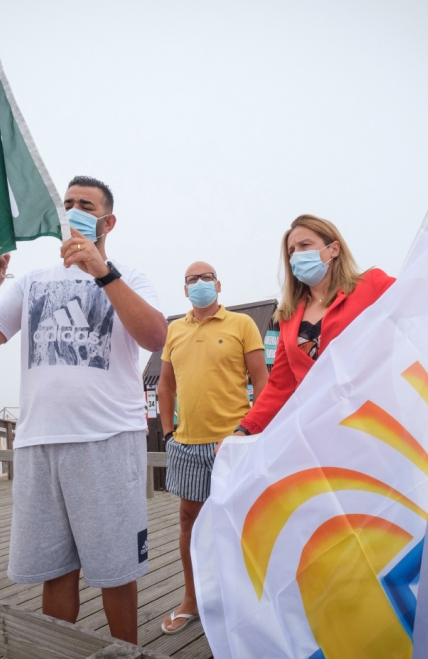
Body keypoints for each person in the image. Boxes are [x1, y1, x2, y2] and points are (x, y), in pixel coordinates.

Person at [0, 176, 167, 644]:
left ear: (107, 220)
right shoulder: (32, 283)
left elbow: (155, 337)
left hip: (107, 439)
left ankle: (125, 653)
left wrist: (103, 272)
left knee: (116, 572)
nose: (74, 210)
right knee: (56, 571)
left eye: (86, 205)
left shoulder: (130, 277)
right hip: (38, 441)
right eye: (68, 203)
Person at [230, 170, 428, 441]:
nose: (297, 255)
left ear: (333, 249)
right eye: (292, 251)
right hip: (314, 435)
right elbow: (279, 386)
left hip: (371, 432)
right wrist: (244, 429)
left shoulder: (372, 286)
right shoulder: (288, 316)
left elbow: (425, 293)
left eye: (306, 244)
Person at [157, 261, 268, 634]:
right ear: (184, 288)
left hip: (234, 444)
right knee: (189, 522)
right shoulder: (174, 329)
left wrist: (250, 432)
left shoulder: (242, 324)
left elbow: (261, 380)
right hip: (186, 444)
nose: (200, 283)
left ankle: (246, 604)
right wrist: (168, 432)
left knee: (241, 525)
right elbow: (166, 385)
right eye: (192, 279)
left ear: (218, 284)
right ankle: (192, 599)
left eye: (206, 277)